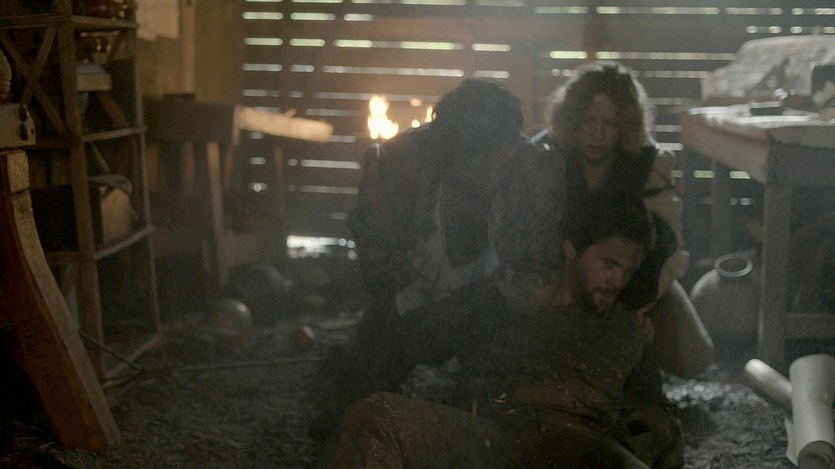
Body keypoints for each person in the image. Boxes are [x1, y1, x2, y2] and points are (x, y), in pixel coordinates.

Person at [327, 189, 684, 469]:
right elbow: (408, 340)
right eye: (608, 264)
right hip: (493, 440)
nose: (616, 281)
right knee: (378, 417)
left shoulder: (627, 331)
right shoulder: (504, 299)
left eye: (627, 271)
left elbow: (657, 422)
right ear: (572, 249)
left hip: (585, 449)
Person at [328, 78, 563, 408]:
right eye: (478, 157)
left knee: (496, 401)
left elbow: (540, 267)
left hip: (493, 313)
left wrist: (520, 290)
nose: (491, 168)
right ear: (452, 150)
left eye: (500, 154)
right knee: (355, 400)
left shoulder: (530, 171)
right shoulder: (399, 168)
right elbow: (374, 267)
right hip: (408, 310)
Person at [531, 60, 713, 380]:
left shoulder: (650, 164)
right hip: (559, 278)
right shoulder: (544, 155)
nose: (597, 134)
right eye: (588, 120)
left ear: (626, 125)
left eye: (610, 124)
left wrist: (628, 307)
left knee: (692, 355)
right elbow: (528, 235)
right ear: (572, 118)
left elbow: (666, 248)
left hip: (631, 281)